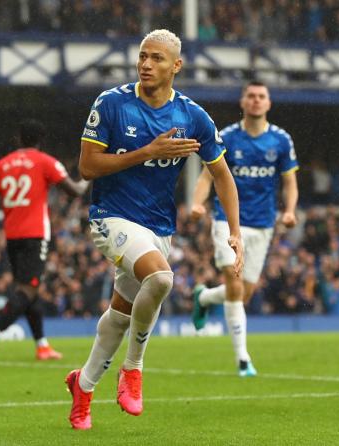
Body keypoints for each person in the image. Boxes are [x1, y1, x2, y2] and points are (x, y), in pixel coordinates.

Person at [64, 29, 243, 430]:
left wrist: (235, 231)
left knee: (120, 314)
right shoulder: (111, 104)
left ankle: (84, 385)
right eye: (143, 56)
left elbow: (223, 177)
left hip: (157, 226)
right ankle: (133, 369)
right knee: (161, 278)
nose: (146, 64)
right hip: (109, 217)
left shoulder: (192, 116)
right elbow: (88, 167)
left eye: (157, 58)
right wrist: (148, 152)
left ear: (176, 66)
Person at [189, 80, 299, 377]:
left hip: (263, 224)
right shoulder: (226, 137)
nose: (255, 101)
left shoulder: (280, 140)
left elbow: (289, 181)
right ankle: (243, 360)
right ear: (242, 102)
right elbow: (207, 177)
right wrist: (198, 204)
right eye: (250, 96)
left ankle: (204, 298)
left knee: (244, 293)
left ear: (268, 103)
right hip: (227, 219)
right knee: (235, 285)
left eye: (261, 96)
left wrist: (289, 211)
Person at [0, 119, 89, 362]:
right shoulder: (45, 161)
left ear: (19, 139)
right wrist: (91, 174)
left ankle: (42, 346)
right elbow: (75, 191)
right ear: (40, 140)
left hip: (12, 235)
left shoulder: (3, 164)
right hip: (35, 234)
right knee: (28, 289)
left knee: (27, 290)